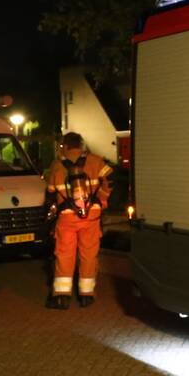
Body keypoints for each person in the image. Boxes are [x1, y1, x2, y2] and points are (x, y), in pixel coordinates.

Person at [45, 132, 112, 309]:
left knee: (65, 254)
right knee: (89, 254)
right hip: (92, 216)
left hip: (67, 217)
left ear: (65, 146)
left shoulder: (57, 165)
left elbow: (50, 191)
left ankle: (61, 296)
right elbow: (111, 181)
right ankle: (86, 295)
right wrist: (103, 200)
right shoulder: (96, 161)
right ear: (80, 145)